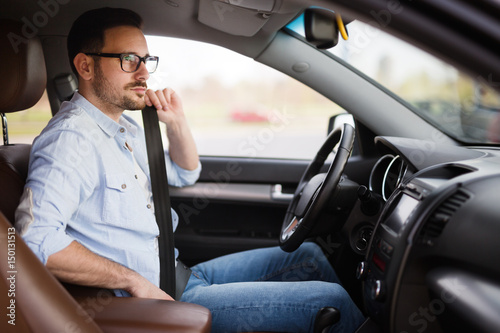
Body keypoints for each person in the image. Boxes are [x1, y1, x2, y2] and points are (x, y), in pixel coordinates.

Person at [15, 7, 364, 332]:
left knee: (308, 255)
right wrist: (132, 280)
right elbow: (36, 241)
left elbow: (184, 174)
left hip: (180, 275)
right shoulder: (70, 141)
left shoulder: (122, 128)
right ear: (86, 66)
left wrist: (176, 122)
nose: (143, 73)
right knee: (329, 302)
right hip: (155, 301)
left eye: (146, 60)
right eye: (128, 60)